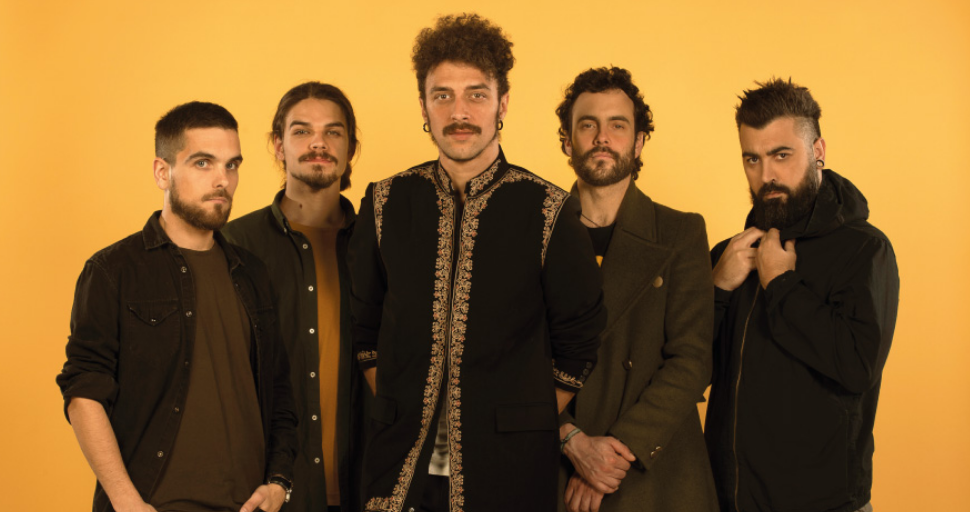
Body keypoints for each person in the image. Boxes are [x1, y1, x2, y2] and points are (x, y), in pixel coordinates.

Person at [348, 13, 606, 512]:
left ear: (502, 103)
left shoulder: (549, 210)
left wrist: (521, 418)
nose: (459, 111)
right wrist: (408, 406)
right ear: (423, 104)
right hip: (399, 462)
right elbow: (365, 329)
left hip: (508, 469)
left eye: (476, 94)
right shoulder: (384, 203)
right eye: (442, 95)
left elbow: (580, 339)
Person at [56, 102, 297, 512]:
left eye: (232, 165)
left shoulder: (252, 273)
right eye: (203, 163)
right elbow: (84, 393)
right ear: (162, 172)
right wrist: (126, 501)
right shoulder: (114, 271)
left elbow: (278, 393)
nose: (222, 180)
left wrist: (278, 484)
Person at [705, 78, 899, 512]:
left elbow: (856, 367)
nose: (766, 176)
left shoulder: (865, 249)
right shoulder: (729, 256)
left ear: (818, 151)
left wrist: (782, 285)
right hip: (729, 501)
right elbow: (692, 372)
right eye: (752, 159)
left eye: (781, 155)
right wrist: (716, 289)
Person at [553, 66, 719, 512]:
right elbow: (510, 358)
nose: (602, 138)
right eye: (587, 125)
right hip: (556, 467)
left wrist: (613, 456)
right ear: (567, 140)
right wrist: (572, 440)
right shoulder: (533, 233)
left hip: (653, 473)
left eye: (618, 125)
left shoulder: (680, 232)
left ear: (639, 141)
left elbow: (692, 359)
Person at [223, 82, 364, 512]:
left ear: (351, 148)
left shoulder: (382, 245)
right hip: (269, 492)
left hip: (369, 487)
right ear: (278, 145)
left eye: (333, 132)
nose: (318, 143)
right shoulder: (234, 247)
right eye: (301, 131)